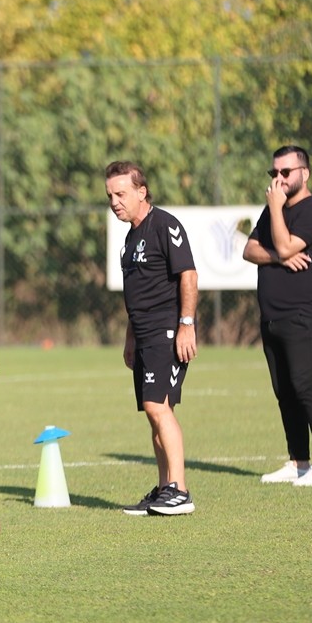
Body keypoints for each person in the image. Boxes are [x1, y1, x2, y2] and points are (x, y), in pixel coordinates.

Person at [243, 145, 312, 487]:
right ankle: (299, 461)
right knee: (284, 390)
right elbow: (250, 250)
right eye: (274, 173)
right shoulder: (273, 211)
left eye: (286, 172)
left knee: (305, 385)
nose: (279, 179)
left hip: (303, 313)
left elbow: (286, 245)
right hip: (272, 314)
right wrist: (278, 257)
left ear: (305, 173)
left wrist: (275, 213)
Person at [105, 161, 199, 516]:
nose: (115, 201)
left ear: (141, 191)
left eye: (121, 194)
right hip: (143, 335)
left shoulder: (165, 225)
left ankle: (180, 490)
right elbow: (136, 294)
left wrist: (186, 324)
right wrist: (130, 337)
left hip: (167, 332)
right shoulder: (130, 238)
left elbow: (188, 275)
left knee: (157, 407)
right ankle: (164, 490)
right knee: (154, 412)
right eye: (110, 196)